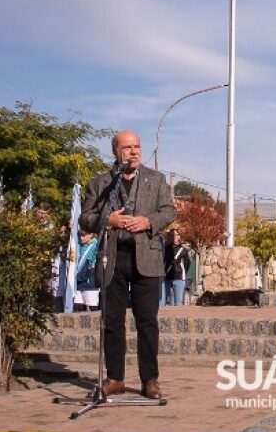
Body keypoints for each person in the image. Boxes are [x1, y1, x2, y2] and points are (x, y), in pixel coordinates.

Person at [79, 129, 176, 400]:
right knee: (112, 321)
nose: (134, 152)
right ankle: (115, 378)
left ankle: (150, 380)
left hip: (146, 257)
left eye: (137, 147)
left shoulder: (155, 180)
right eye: (127, 147)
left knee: (147, 321)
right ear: (115, 152)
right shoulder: (101, 183)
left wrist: (148, 222)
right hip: (113, 256)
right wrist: (107, 221)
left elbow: (169, 210)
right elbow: (85, 218)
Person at [73, 230, 99, 312]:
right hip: (78, 282)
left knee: (92, 308)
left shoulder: (95, 246)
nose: (81, 238)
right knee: (78, 307)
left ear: (91, 234)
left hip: (90, 282)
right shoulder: (81, 245)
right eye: (80, 235)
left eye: (84, 235)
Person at [164, 230, 190, 306]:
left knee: (178, 302)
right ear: (169, 237)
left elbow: (187, 264)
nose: (174, 237)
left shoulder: (183, 250)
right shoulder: (165, 249)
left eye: (176, 235)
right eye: (172, 235)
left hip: (179, 278)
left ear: (179, 237)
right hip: (167, 278)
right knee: (170, 303)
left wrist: (180, 271)